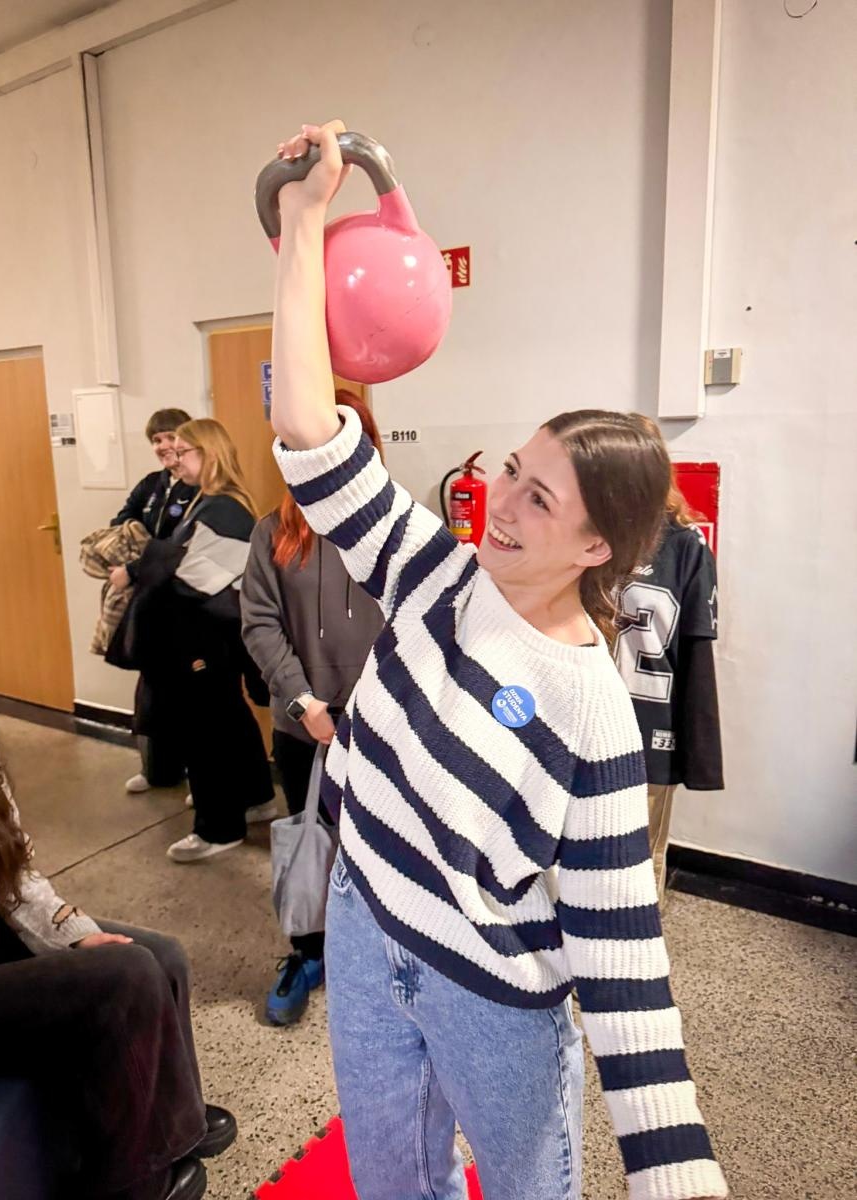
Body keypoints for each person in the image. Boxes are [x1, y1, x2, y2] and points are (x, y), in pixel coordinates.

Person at [264, 120, 728, 1200]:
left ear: (598, 548)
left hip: (489, 991)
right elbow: (312, 435)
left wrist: (677, 1174)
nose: (499, 503)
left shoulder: (591, 708)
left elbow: (622, 959)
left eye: (538, 498)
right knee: (390, 1180)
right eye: (511, 470)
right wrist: (302, 223)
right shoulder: (436, 570)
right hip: (364, 921)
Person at [0, 708, 237, 1200]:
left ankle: (177, 1127)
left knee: (160, 956)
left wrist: (78, 935)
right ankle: (136, 1185)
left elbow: (13, 870)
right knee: (127, 975)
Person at [241, 390, 385, 1027]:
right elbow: (259, 624)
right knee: (311, 841)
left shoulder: (394, 526)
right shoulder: (272, 532)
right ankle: (307, 952)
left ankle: (378, 959)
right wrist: (304, 703)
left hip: (383, 726)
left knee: (380, 849)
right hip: (306, 725)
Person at [143, 418, 277, 863]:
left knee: (205, 730)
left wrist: (146, 566)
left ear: (210, 454)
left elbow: (188, 575)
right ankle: (256, 796)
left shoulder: (223, 509)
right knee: (227, 717)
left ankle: (218, 827)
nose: (174, 460)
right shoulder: (208, 501)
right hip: (212, 635)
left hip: (207, 637)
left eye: (183, 452)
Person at [614, 453, 724, 904]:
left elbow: (697, 656)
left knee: (636, 864)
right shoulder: (586, 530)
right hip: (580, 724)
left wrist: (695, 751)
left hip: (647, 727)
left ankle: (637, 943)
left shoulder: (685, 545)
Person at [109, 408, 197, 796]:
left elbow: (180, 546)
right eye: (156, 440)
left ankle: (200, 774)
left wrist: (135, 566)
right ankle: (158, 770)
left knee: (188, 694)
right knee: (152, 692)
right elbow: (121, 525)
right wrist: (141, 553)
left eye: (170, 437)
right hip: (150, 604)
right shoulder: (152, 485)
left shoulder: (200, 488)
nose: (163, 446)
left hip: (186, 604)